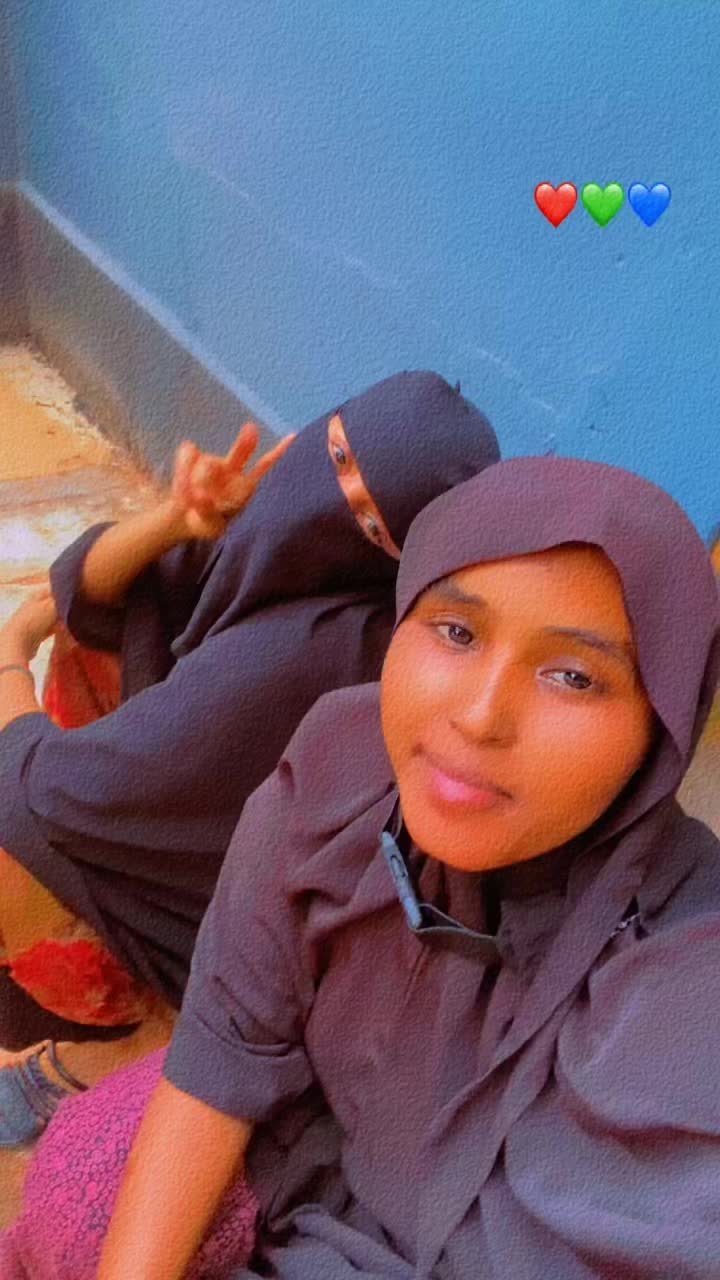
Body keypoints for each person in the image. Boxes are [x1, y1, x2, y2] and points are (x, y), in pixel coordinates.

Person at [75, 454, 718, 1279]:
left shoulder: (685, 974)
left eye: (573, 676)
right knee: (82, 1192)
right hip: (305, 1176)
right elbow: (221, 1053)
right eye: (457, 633)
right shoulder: (338, 773)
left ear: (659, 729)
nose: (480, 717)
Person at [0, 371, 500, 1145]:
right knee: (94, 648)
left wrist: (8, 654)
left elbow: (52, 794)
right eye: (337, 456)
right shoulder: (280, 554)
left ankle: (135, 1043)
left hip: (243, 934)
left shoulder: (316, 646)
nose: (332, 496)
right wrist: (176, 520)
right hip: (201, 837)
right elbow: (88, 597)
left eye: (370, 518)